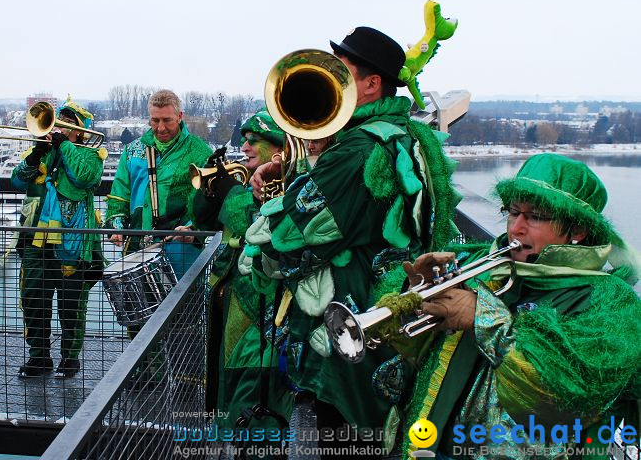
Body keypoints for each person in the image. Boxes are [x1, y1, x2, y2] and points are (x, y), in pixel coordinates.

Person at [246, 28, 460, 458]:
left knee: (342, 438)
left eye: (342, 72)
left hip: (350, 332)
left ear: (371, 84)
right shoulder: (401, 134)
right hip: (380, 323)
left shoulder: (360, 148)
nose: (330, 79)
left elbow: (286, 240)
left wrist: (262, 235)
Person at [393, 154, 641, 459]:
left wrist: (484, 318)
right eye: (513, 212)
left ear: (577, 230)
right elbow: (413, 352)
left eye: (535, 216)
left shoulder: (609, 300)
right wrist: (416, 295)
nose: (516, 228)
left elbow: (567, 397)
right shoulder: (481, 262)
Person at [194, 109, 295, 456]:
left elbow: (252, 223)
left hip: (263, 307)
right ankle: (242, 441)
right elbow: (204, 216)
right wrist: (210, 190)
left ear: (279, 149)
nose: (246, 145)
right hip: (234, 299)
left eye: (255, 141)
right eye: (246, 139)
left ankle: (259, 444)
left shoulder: (285, 183)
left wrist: (230, 192)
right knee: (233, 380)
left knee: (256, 381)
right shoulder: (247, 181)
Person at [11, 99, 106, 379]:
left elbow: (84, 177)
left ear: (79, 131)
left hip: (72, 245)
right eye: (58, 120)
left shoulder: (91, 154)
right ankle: (38, 357)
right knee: (34, 299)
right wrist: (35, 154)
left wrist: (63, 146)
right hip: (36, 242)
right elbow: (18, 181)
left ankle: (69, 359)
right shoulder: (39, 152)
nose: (59, 126)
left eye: (67, 122)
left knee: (71, 304)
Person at [105, 89, 212, 278]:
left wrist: (193, 229)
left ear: (179, 117)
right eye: (155, 120)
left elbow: (211, 201)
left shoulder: (201, 152)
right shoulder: (131, 150)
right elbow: (120, 194)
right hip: (137, 249)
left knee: (185, 306)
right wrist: (116, 226)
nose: (160, 128)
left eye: (167, 120)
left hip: (182, 250)